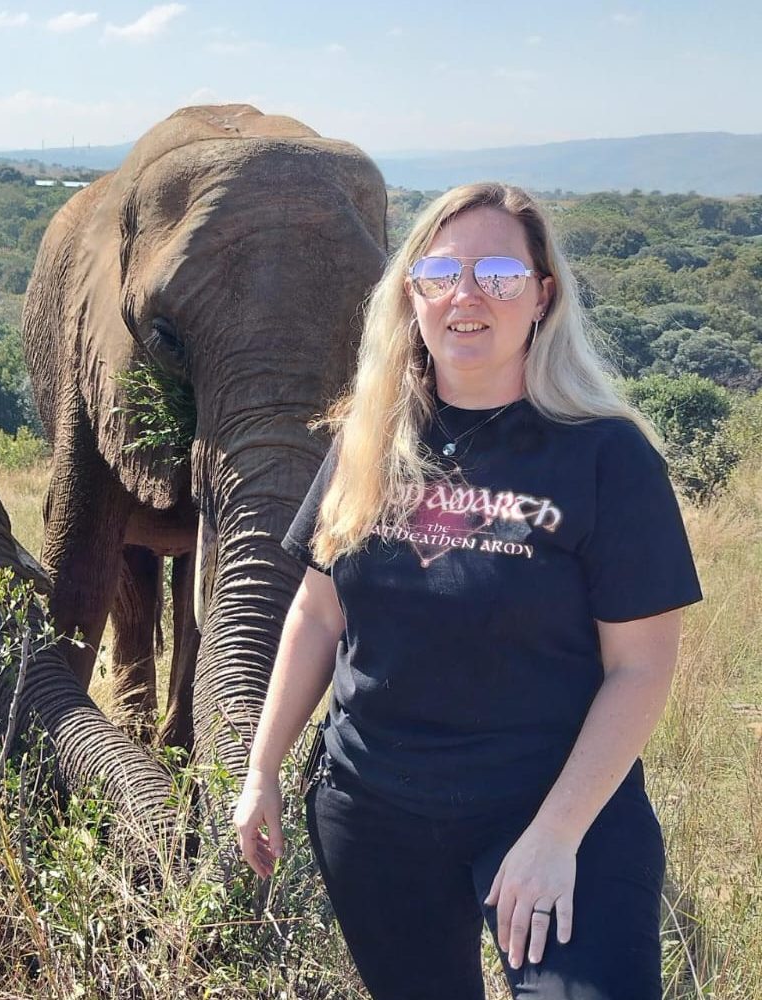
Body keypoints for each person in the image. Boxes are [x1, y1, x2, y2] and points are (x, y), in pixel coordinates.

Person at [233, 182, 701, 1000]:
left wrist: (556, 836)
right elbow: (317, 611)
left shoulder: (607, 457)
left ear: (543, 296)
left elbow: (641, 667)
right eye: (442, 271)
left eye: (498, 273)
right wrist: (262, 767)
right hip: (375, 812)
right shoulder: (370, 441)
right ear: (411, 294)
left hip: (559, 805)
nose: (467, 294)